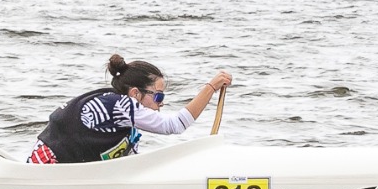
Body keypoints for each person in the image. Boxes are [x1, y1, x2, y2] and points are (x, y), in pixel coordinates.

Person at [28, 54, 230, 164]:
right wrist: (210, 88)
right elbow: (175, 125)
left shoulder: (121, 113)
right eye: (157, 96)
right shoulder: (122, 105)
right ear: (135, 93)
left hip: (63, 168)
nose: (161, 103)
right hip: (46, 168)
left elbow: (128, 164)